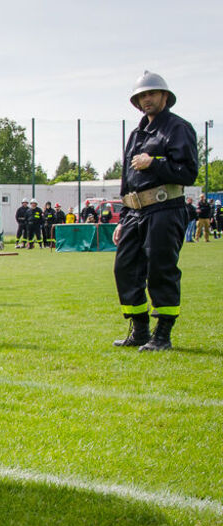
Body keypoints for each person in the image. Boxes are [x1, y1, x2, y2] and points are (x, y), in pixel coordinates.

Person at [112, 71, 197, 352]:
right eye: (141, 96)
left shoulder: (177, 128)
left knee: (161, 270)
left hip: (165, 208)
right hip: (135, 212)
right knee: (125, 269)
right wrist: (123, 219)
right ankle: (139, 330)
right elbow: (127, 181)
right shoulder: (137, 134)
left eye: (151, 94)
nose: (146, 99)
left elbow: (188, 172)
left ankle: (162, 335)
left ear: (165, 96)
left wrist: (155, 163)